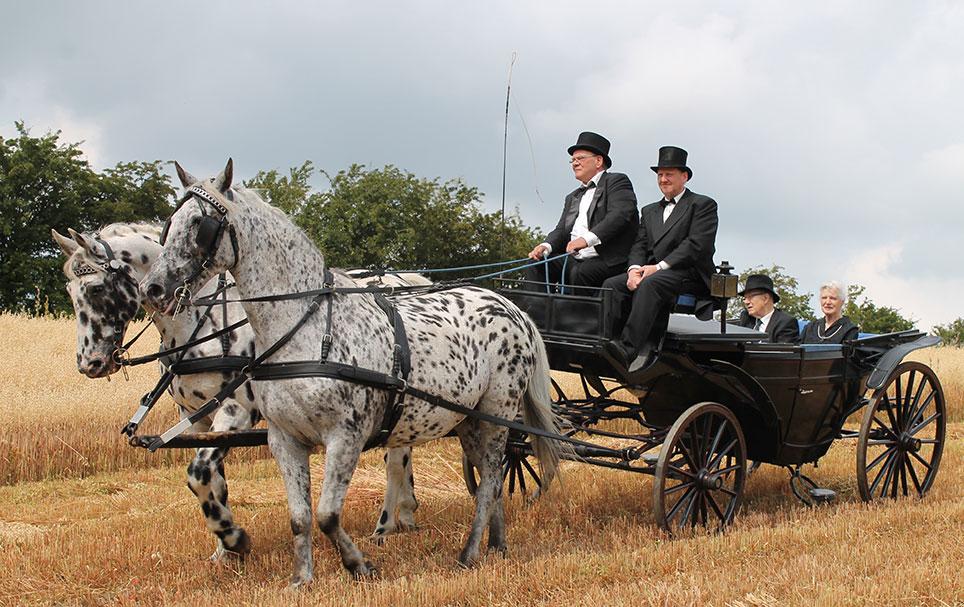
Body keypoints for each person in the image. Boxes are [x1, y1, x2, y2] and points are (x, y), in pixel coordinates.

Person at [602, 146, 718, 371]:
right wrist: (633, 270)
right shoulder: (649, 210)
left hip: (688, 273)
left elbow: (695, 245)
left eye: (669, 174)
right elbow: (640, 244)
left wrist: (658, 267)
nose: (663, 179)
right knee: (612, 285)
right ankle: (607, 342)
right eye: (660, 175)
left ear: (684, 177)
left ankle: (627, 349)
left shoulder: (703, 205)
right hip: (651, 271)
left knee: (651, 284)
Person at [525, 132, 638, 293]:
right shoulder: (572, 196)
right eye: (572, 160)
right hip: (576, 259)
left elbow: (619, 215)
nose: (575, 163)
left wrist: (585, 240)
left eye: (580, 158)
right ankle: (537, 308)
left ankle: (576, 310)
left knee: (580, 273)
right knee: (536, 264)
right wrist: (546, 245)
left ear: (598, 161)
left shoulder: (617, 182)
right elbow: (561, 230)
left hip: (608, 260)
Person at [734, 274, 800, 344]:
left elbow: (783, 350)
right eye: (744, 298)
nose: (746, 302)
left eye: (750, 297)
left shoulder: (785, 323)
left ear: (765, 298)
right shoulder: (746, 318)